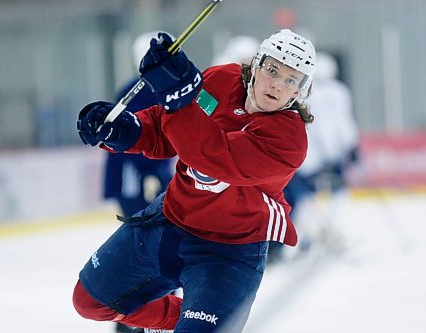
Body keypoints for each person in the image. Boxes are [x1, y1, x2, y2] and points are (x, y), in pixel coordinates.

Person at [73, 29, 316, 332]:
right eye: (272, 70)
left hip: (228, 252)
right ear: (256, 65)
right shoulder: (222, 80)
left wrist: (179, 99)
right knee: (90, 301)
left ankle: (206, 321)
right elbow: (166, 130)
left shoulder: (289, 139)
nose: (277, 84)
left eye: (291, 80)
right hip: (170, 220)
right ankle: (197, 320)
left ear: (299, 92)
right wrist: (126, 130)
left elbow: (214, 156)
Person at [106, 32, 174, 333]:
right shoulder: (136, 92)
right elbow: (125, 140)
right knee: (147, 248)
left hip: (151, 183)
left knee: (160, 247)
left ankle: (142, 314)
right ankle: (133, 317)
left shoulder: (158, 88)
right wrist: (147, 174)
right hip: (138, 184)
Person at [283, 52, 359, 257]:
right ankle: (328, 232)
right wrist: (351, 147)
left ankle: (308, 237)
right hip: (329, 154)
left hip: (307, 155)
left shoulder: (306, 91)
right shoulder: (338, 92)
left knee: (306, 197)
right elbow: (342, 124)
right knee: (336, 192)